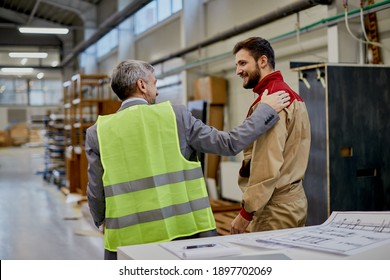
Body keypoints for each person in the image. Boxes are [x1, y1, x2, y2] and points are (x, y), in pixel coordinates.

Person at [85, 59, 291, 259]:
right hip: (185, 237)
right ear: (142, 85)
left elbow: (95, 192)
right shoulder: (176, 116)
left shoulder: (98, 132)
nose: (156, 91)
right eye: (154, 84)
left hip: (128, 240)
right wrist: (266, 110)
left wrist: (100, 219)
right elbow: (228, 144)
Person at [230, 37, 311, 234]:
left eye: (243, 63)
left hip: (275, 208)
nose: (238, 71)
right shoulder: (291, 96)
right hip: (294, 201)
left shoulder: (271, 103)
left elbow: (266, 163)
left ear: (263, 61)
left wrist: (245, 214)